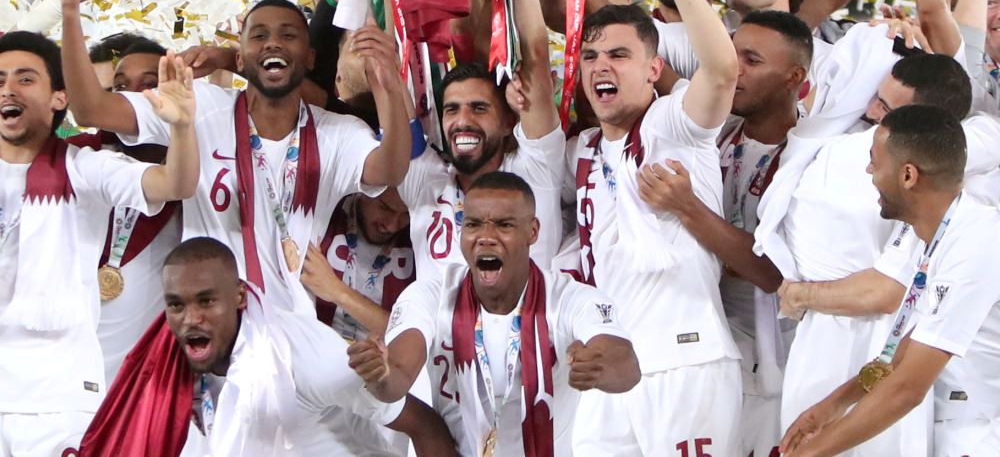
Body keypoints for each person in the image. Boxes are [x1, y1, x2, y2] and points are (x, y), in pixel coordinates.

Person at [57, 0, 413, 315]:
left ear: (309, 58)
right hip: (211, 324)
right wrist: (69, 9)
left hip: (290, 326)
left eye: (288, 35)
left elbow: (390, 169)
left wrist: (388, 84)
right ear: (240, 59)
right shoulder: (199, 108)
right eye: (258, 36)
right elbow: (91, 109)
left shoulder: (334, 133)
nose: (273, 44)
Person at [569, 0, 742, 454]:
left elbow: (722, 69)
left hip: (688, 362)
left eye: (619, 55)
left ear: (654, 69)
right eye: (591, 56)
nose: (602, 66)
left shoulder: (676, 124)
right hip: (613, 367)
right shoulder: (583, 151)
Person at [0, 30, 198, 456]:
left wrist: (182, 127)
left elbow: (176, 183)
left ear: (59, 98)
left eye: (24, 79)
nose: (8, 89)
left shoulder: (85, 168)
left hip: (57, 400)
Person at [348, 171, 640, 456]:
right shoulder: (429, 296)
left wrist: (598, 366)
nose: (486, 237)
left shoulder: (567, 298)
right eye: (474, 225)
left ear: (532, 231)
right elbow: (396, 377)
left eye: (504, 225)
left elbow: (626, 366)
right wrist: (381, 373)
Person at [81, 237, 457, 457]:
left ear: (240, 296)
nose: (190, 318)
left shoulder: (308, 357)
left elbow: (424, 426)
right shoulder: (164, 369)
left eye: (207, 302)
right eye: (177, 305)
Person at [639, 10, 813, 457]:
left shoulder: (817, 159)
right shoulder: (714, 128)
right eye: (731, 55)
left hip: (775, 359)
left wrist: (688, 209)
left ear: (795, 76)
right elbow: (651, 65)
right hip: (702, 344)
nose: (733, 69)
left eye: (750, 61)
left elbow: (776, 274)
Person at [781, 105, 1000, 457]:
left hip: (985, 428)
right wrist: (833, 406)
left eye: (875, 162)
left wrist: (813, 452)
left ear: (908, 175)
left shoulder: (976, 245)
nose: (868, 170)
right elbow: (904, 353)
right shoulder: (931, 234)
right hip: (971, 419)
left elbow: (908, 388)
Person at [398, 0, 566, 276]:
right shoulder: (427, 180)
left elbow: (536, 53)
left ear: (509, 121)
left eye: (479, 108)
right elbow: (392, 84)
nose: (462, 121)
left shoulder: (535, 168)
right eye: (452, 109)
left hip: (532, 333)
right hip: (444, 338)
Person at [68, 37, 186, 387]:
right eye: (120, 87)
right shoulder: (73, 159)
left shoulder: (197, 176)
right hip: (53, 381)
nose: (132, 97)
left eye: (149, 85)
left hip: (139, 390)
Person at [304, 188, 415, 342]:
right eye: (385, 208)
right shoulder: (326, 211)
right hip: (313, 349)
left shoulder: (419, 239)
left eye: (406, 214)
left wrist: (338, 292)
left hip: (379, 362)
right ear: (364, 189)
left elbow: (410, 337)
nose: (392, 226)